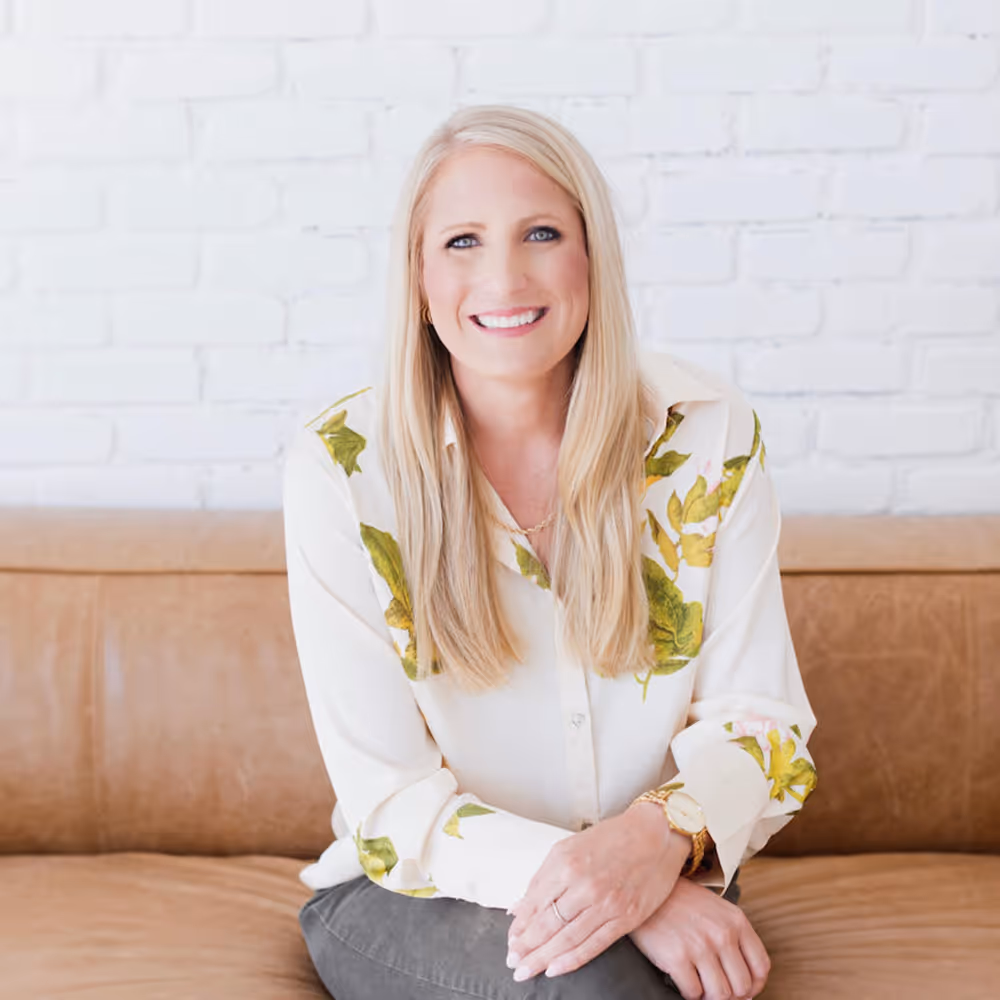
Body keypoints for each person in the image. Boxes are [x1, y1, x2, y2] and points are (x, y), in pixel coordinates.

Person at [283, 104, 818, 1000]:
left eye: (541, 232)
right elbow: (390, 803)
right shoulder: (345, 466)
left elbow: (764, 726)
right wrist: (616, 885)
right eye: (461, 241)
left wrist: (648, 849)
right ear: (416, 278)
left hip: (662, 865)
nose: (504, 276)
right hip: (412, 891)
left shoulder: (706, 438)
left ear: (591, 259)